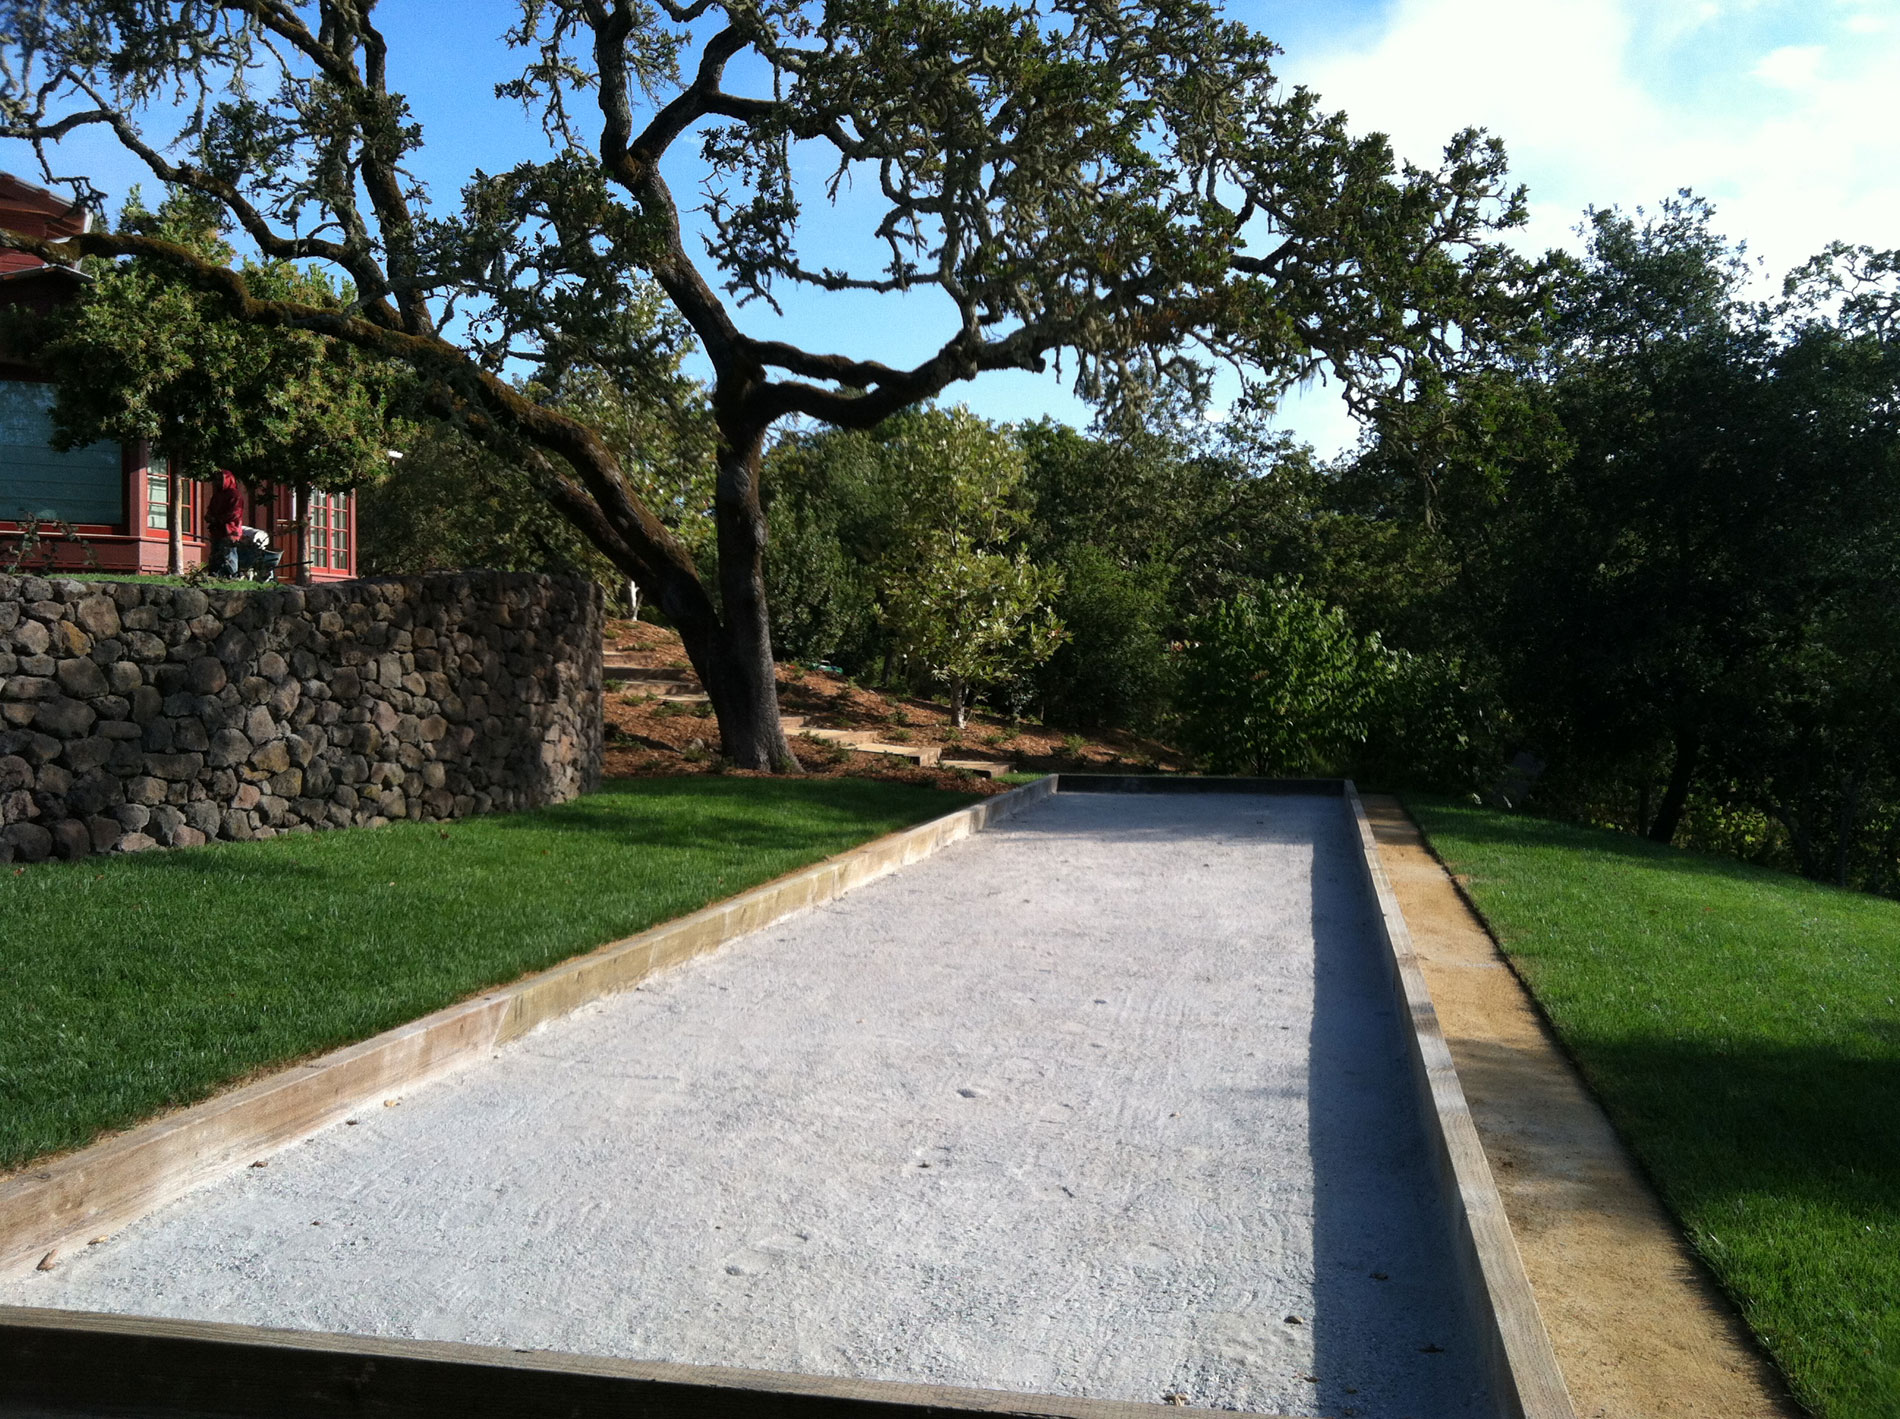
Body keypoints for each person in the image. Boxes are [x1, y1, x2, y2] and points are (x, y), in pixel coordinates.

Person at [206, 469, 243, 576]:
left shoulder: (235, 495)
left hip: (229, 531)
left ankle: (231, 577)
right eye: (216, 480)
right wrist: (209, 516)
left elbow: (235, 513)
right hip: (217, 531)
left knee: (229, 556)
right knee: (215, 555)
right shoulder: (217, 495)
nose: (218, 482)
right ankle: (214, 576)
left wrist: (217, 519)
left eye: (220, 479)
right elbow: (211, 509)